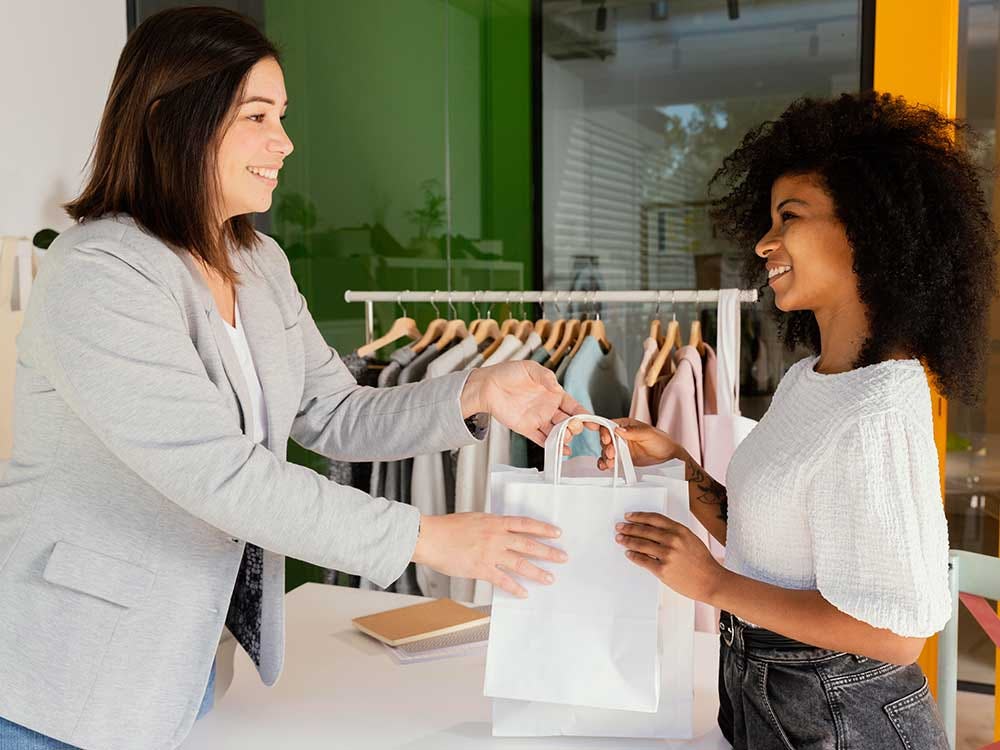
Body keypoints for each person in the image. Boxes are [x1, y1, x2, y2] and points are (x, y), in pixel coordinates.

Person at [0, 8, 585, 749]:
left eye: (281, 115)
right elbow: (221, 475)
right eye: (257, 116)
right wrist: (428, 538)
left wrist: (475, 391)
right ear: (170, 120)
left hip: (179, 665)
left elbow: (332, 411)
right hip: (61, 677)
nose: (285, 141)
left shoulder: (258, 265)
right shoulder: (99, 274)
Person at [591, 92, 997, 749]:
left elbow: (895, 635)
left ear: (868, 229)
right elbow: (772, 544)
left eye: (791, 216)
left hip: (846, 720)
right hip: (773, 703)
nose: (764, 242)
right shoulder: (809, 381)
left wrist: (711, 583)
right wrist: (679, 464)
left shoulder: (879, 411)